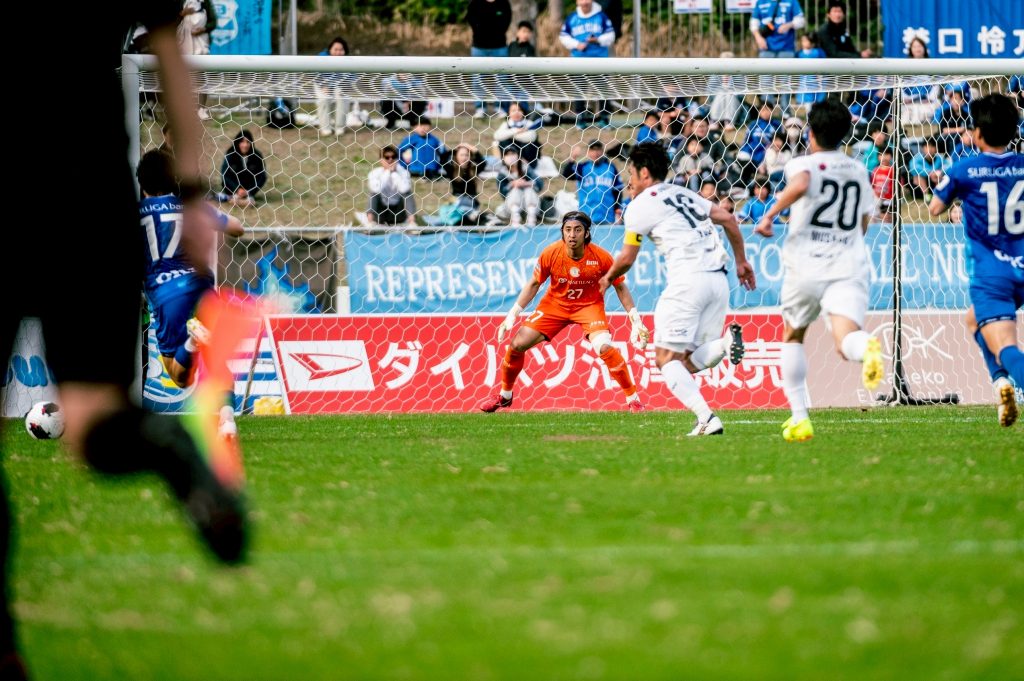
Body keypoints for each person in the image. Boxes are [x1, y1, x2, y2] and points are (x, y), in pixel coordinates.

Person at [2, 5, 250, 678]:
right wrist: (195, 190)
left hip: (67, 188)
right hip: (84, 189)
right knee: (98, 430)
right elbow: (169, 48)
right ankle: (170, 446)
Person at [598, 143, 756, 435]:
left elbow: (627, 257)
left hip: (688, 281)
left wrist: (607, 279)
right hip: (719, 281)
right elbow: (728, 218)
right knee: (686, 362)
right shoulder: (684, 193)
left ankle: (707, 418)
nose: (627, 181)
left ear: (644, 173)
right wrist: (742, 262)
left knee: (665, 359)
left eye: (630, 173)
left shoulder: (640, 205)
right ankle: (723, 345)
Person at [753, 98, 884, 442]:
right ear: (845, 134)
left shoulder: (802, 165)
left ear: (810, 133)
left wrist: (769, 215)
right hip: (848, 263)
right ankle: (866, 345)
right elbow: (864, 221)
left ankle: (800, 418)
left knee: (793, 335)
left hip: (806, 264)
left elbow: (800, 184)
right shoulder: (858, 169)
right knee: (845, 341)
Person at [479, 211, 649, 413]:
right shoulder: (551, 253)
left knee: (604, 347)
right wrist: (512, 314)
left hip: (589, 306)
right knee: (517, 344)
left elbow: (621, 287)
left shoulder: (601, 257)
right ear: (562, 232)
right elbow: (534, 283)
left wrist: (635, 320)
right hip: (555, 305)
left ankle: (634, 400)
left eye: (578, 230)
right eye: (568, 230)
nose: (572, 234)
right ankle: (505, 397)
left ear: (586, 233)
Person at [929, 93, 1023, 426]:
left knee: (1008, 348)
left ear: (977, 134)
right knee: (973, 320)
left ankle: (1009, 380)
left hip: (992, 274)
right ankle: (1001, 384)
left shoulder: (964, 169)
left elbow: (935, 208)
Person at [139, 149, 243, 398]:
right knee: (217, 361)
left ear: (142, 184)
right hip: (200, 284)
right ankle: (227, 421)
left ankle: (191, 342)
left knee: (179, 377)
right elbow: (238, 228)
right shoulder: (189, 206)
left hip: (166, 294)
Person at [559, 0, 616, 128]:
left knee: (602, 90)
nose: (585, 2)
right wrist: (576, 44)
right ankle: (580, 118)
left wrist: (597, 40)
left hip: (599, 59)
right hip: (579, 60)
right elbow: (563, 36)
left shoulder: (601, 16)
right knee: (579, 90)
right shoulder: (572, 18)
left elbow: (611, 35)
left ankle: (604, 118)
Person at [749, 0, 806, 116]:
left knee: (785, 81)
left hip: (786, 48)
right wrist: (758, 37)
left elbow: (801, 21)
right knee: (765, 81)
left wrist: (789, 24)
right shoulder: (761, 2)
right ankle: (767, 112)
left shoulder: (792, 2)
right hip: (766, 49)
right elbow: (753, 23)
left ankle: (785, 111)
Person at [561, 140, 624, 225]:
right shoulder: (582, 168)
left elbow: (618, 190)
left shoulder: (610, 168)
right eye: (592, 150)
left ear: (602, 151)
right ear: (588, 152)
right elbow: (566, 174)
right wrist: (572, 158)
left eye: (598, 150)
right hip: (586, 217)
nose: (595, 153)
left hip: (607, 216)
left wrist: (617, 210)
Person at [467, 0, 512, 118]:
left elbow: (506, 21)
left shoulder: (504, 3)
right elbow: (471, 20)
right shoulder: (475, 3)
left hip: (500, 47)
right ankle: (479, 108)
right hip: (479, 47)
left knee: (501, 78)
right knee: (477, 78)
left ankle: (500, 108)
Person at [315, 37, 358, 136]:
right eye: (335, 49)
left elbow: (352, 78)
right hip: (323, 84)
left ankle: (340, 127)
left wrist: (345, 88)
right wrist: (323, 85)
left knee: (342, 96)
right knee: (324, 99)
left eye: (341, 50)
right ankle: (325, 128)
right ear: (330, 49)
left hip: (341, 85)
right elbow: (315, 74)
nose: (338, 52)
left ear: (345, 50)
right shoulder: (321, 57)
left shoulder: (349, 61)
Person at [366, 145, 417, 228]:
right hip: (380, 213)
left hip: (399, 212)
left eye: (393, 157)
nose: (390, 160)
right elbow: (376, 189)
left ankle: (412, 223)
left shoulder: (403, 172)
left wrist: (394, 173)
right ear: (381, 160)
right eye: (387, 157)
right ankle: (370, 224)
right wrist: (387, 173)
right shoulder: (374, 173)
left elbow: (404, 189)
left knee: (408, 193)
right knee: (373, 193)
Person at [219, 129, 267, 207]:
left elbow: (262, 176)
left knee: (250, 201)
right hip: (232, 188)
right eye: (242, 142)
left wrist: (249, 191)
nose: (245, 145)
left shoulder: (257, 155)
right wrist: (237, 189)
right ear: (237, 143)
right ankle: (234, 198)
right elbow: (225, 175)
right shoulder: (230, 154)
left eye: (248, 142)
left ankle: (245, 199)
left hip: (249, 189)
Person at [497, 149, 543, 227]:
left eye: (513, 154)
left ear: (518, 156)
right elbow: (502, 193)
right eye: (507, 155)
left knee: (529, 190)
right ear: (503, 158)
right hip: (511, 205)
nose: (510, 157)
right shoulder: (502, 173)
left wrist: (526, 184)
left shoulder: (526, 168)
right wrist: (512, 184)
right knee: (516, 190)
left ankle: (531, 217)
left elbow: (539, 183)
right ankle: (515, 218)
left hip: (529, 203)